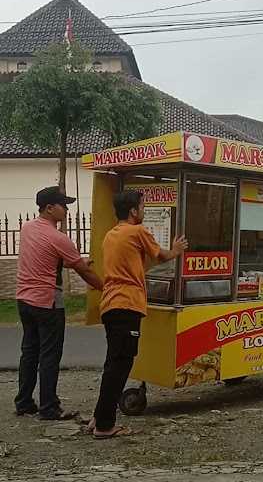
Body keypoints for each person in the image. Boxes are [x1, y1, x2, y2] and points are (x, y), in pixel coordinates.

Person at [91, 189, 188, 438]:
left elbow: (140, 264)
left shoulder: (112, 235)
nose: (144, 211)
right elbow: (162, 255)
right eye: (143, 207)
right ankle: (104, 426)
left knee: (113, 363)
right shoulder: (138, 231)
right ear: (134, 211)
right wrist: (177, 249)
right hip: (127, 304)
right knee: (121, 364)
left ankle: (99, 417)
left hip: (110, 304)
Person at [15, 186, 103, 421]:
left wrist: (75, 261)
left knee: (29, 352)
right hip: (47, 302)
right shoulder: (58, 237)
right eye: (63, 205)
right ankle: (49, 407)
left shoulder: (27, 229)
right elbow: (83, 271)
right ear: (49, 208)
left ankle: (23, 402)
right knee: (50, 355)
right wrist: (105, 286)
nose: (66, 210)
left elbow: (45, 257)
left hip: (24, 299)